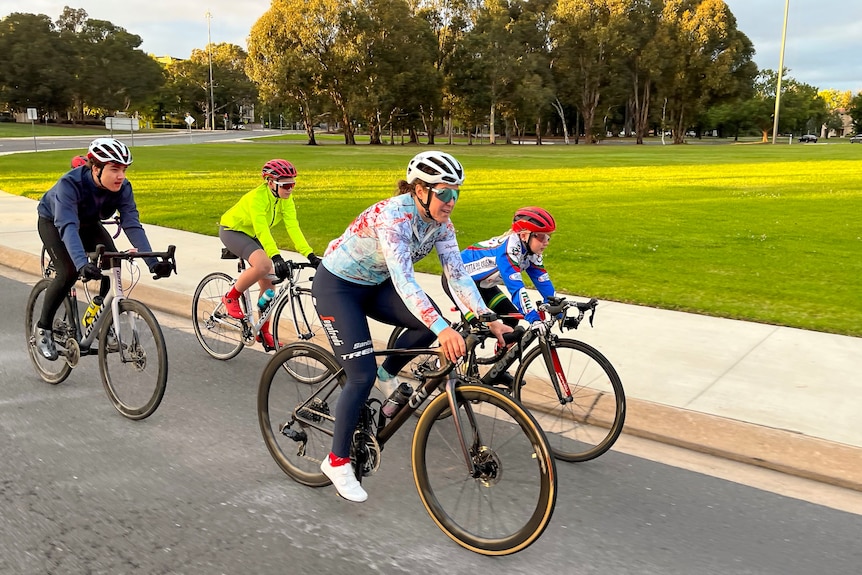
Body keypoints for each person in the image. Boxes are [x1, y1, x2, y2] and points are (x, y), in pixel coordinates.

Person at [311, 150, 512, 502]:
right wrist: (442, 330)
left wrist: (489, 317)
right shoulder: (394, 217)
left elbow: (458, 275)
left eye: (457, 193)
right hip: (338, 287)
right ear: (420, 189)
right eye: (445, 192)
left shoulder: (442, 225)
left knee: (432, 320)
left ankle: (389, 376)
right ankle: (337, 460)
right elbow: (405, 281)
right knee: (360, 376)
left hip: (375, 285)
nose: (451, 201)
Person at [35, 138, 173, 360]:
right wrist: (81, 264)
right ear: (95, 167)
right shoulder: (69, 185)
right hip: (55, 223)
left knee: (113, 263)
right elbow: (68, 227)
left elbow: (131, 224)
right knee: (68, 272)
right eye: (115, 169)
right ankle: (43, 330)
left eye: (124, 169)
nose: (121, 176)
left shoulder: (123, 188)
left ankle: (98, 319)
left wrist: (153, 262)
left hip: (89, 224)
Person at [218, 159, 321, 350]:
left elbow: (293, 227)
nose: (290, 189)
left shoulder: (286, 200)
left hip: (253, 234)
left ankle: (264, 332)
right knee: (264, 265)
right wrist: (275, 256)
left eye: (293, 184)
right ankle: (230, 297)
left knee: (270, 282)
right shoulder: (258, 198)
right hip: (233, 231)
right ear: (270, 182)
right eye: (286, 185)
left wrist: (311, 255)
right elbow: (262, 229)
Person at [448, 207, 558, 385]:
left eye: (548, 236)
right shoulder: (509, 251)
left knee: (512, 320)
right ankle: (442, 364)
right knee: (480, 328)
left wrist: (558, 307)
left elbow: (542, 281)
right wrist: (533, 317)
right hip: (458, 281)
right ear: (524, 235)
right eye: (542, 236)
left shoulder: (530, 252)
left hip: (484, 285)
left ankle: (497, 369)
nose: (546, 241)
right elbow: (516, 287)